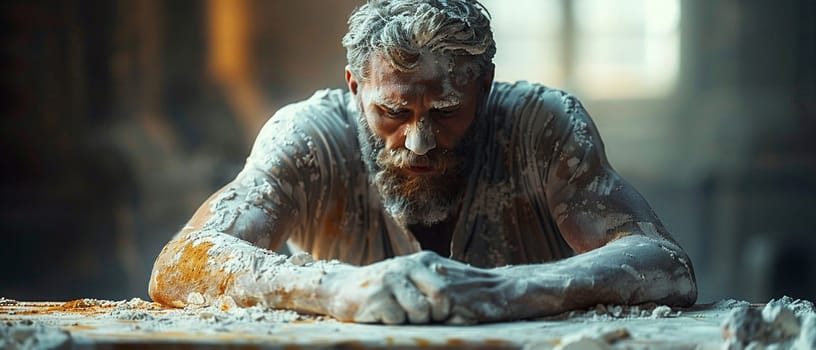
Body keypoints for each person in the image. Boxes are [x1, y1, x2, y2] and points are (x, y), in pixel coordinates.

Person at [148, 0, 697, 325]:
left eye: (447, 111)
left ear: (484, 88)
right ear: (354, 88)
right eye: (392, 111)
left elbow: (665, 265)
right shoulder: (308, 140)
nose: (419, 142)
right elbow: (180, 264)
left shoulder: (542, 126)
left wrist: (504, 290)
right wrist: (337, 289)